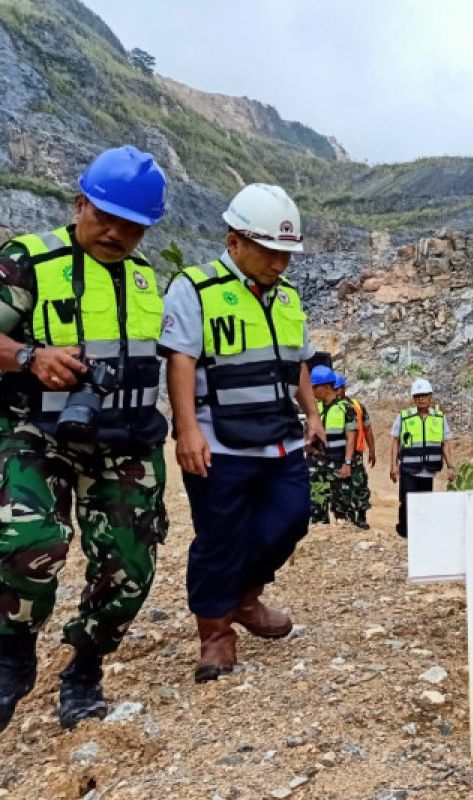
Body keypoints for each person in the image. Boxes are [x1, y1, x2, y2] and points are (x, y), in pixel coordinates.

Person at [0, 146, 169, 729]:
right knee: (27, 539)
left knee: (130, 568)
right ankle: (13, 649)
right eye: (105, 218)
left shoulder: (148, 279)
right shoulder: (29, 260)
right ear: (79, 204)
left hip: (124, 439)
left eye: (133, 226)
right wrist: (29, 355)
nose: (117, 233)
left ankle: (85, 667)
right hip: (35, 428)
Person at [162, 183, 325, 683]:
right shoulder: (196, 288)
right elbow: (181, 361)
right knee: (220, 536)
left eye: (287, 254)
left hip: (280, 438)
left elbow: (296, 363)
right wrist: (187, 430)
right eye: (270, 252)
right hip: (220, 441)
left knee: (290, 518)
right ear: (235, 242)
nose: (280, 263)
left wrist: (313, 415)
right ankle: (216, 634)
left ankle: (245, 598)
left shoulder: (289, 298)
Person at [389, 378, 453, 538]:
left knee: (425, 503)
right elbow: (395, 442)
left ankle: (421, 534)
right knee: (407, 502)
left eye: (424, 395)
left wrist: (451, 466)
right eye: (417, 396)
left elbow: (445, 443)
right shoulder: (404, 417)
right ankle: (404, 532)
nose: (421, 399)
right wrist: (393, 466)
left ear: (430, 397)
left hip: (428, 470)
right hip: (408, 469)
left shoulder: (439, 418)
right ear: (413, 399)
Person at [310, 366, 356, 526]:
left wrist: (347, 463)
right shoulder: (314, 408)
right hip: (317, 465)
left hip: (337, 465)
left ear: (326, 387)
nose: (312, 391)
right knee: (316, 507)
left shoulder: (346, 408)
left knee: (341, 508)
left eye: (314, 387)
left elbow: (351, 438)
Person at [333, 373, 373, 530]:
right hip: (335, 455)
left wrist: (372, 451)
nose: (335, 392)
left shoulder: (357, 406)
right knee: (338, 488)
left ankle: (361, 517)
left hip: (355, 454)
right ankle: (342, 518)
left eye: (337, 389)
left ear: (343, 389)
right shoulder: (327, 407)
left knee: (359, 485)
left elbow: (368, 430)